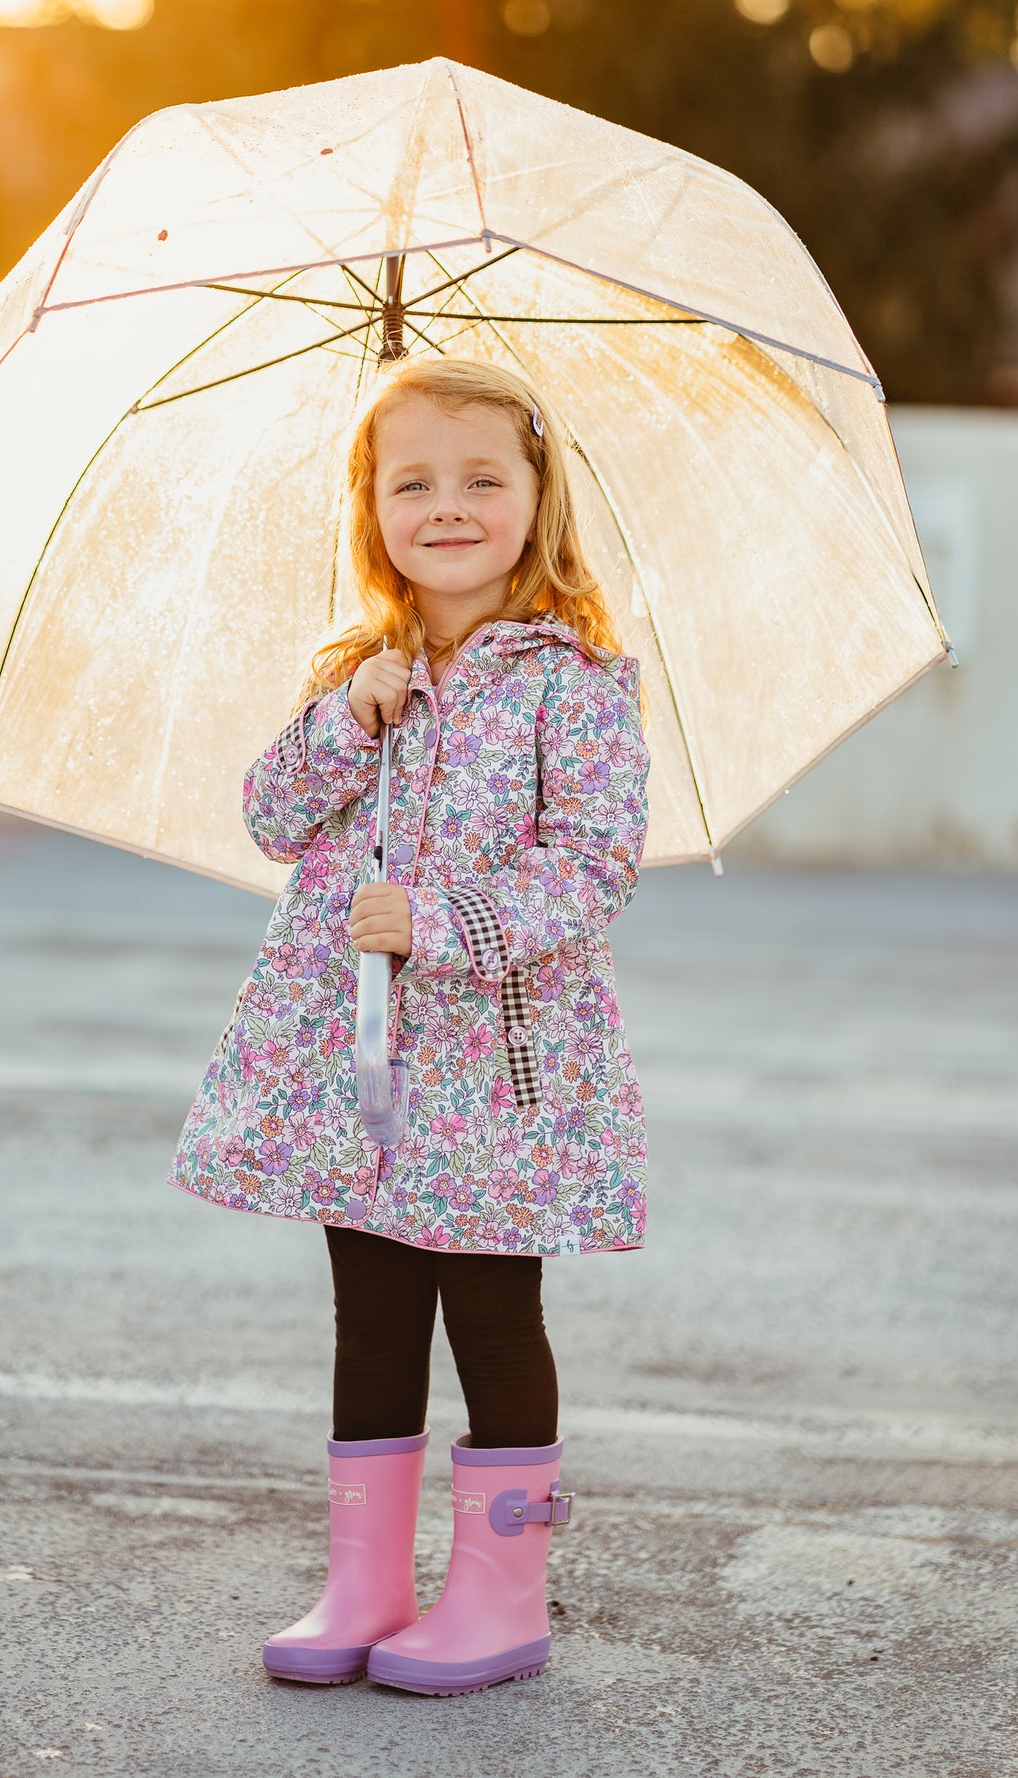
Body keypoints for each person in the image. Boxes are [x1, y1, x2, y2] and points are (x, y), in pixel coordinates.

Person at [169, 356, 651, 1697]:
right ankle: (365, 1582)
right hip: (359, 1070)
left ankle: (501, 1594)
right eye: (413, 480)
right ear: (370, 504)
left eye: (481, 477)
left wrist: (439, 918)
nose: (448, 503)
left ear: (536, 497)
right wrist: (346, 714)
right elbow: (271, 812)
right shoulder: (356, 672)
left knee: (492, 1314)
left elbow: (593, 866)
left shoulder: (576, 680)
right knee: (370, 1314)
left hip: (494, 1076)